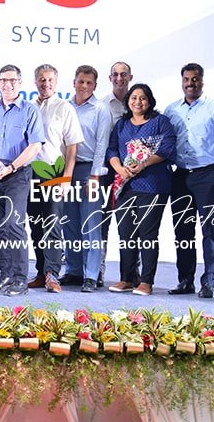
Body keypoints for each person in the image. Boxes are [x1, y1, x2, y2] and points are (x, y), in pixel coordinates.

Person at [164, 63, 214, 298]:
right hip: (180, 175)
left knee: (210, 230)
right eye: (186, 79)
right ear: (181, 81)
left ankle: (210, 281)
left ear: (202, 81)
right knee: (183, 231)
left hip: (208, 175)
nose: (190, 83)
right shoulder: (171, 110)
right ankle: (185, 280)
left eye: (195, 79)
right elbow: (165, 142)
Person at [0, 64, 45, 297]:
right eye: (3, 80)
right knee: (0, 226)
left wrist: (11, 167)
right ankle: (6, 273)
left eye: (12, 80)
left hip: (17, 174)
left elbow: (35, 145)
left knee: (14, 225)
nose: (8, 84)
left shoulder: (30, 110)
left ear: (20, 82)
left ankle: (19, 279)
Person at [106, 84, 176, 296]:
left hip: (153, 185)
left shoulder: (160, 122)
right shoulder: (122, 124)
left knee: (147, 233)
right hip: (125, 185)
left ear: (150, 101)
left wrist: (143, 164)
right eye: (134, 97)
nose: (138, 102)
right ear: (128, 101)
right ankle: (127, 278)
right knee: (126, 232)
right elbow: (111, 149)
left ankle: (146, 281)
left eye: (143, 98)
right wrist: (120, 169)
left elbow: (167, 148)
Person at [28, 64, 83, 292]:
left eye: (50, 79)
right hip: (29, 172)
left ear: (56, 82)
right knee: (35, 224)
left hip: (54, 172)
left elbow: (72, 146)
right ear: (35, 82)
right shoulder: (28, 107)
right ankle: (41, 272)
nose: (46, 83)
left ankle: (52, 274)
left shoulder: (64, 108)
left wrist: (67, 177)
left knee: (52, 224)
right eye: (42, 79)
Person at [66, 65, 113, 292]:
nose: (84, 86)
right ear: (74, 82)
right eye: (81, 81)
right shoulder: (66, 107)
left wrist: (95, 175)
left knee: (91, 224)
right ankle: (74, 270)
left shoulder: (101, 109)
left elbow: (102, 144)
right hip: (68, 169)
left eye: (89, 83)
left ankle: (91, 275)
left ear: (95, 86)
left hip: (90, 170)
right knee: (70, 223)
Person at [97, 60, 133, 288]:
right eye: (115, 74)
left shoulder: (138, 102)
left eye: (123, 74)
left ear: (130, 77)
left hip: (132, 173)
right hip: (106, 171)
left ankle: (130, 275)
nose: (119, 78)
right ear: (110, 78)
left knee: (129, 224)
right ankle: (98, 271)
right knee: (101, 223)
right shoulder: (102, 105)